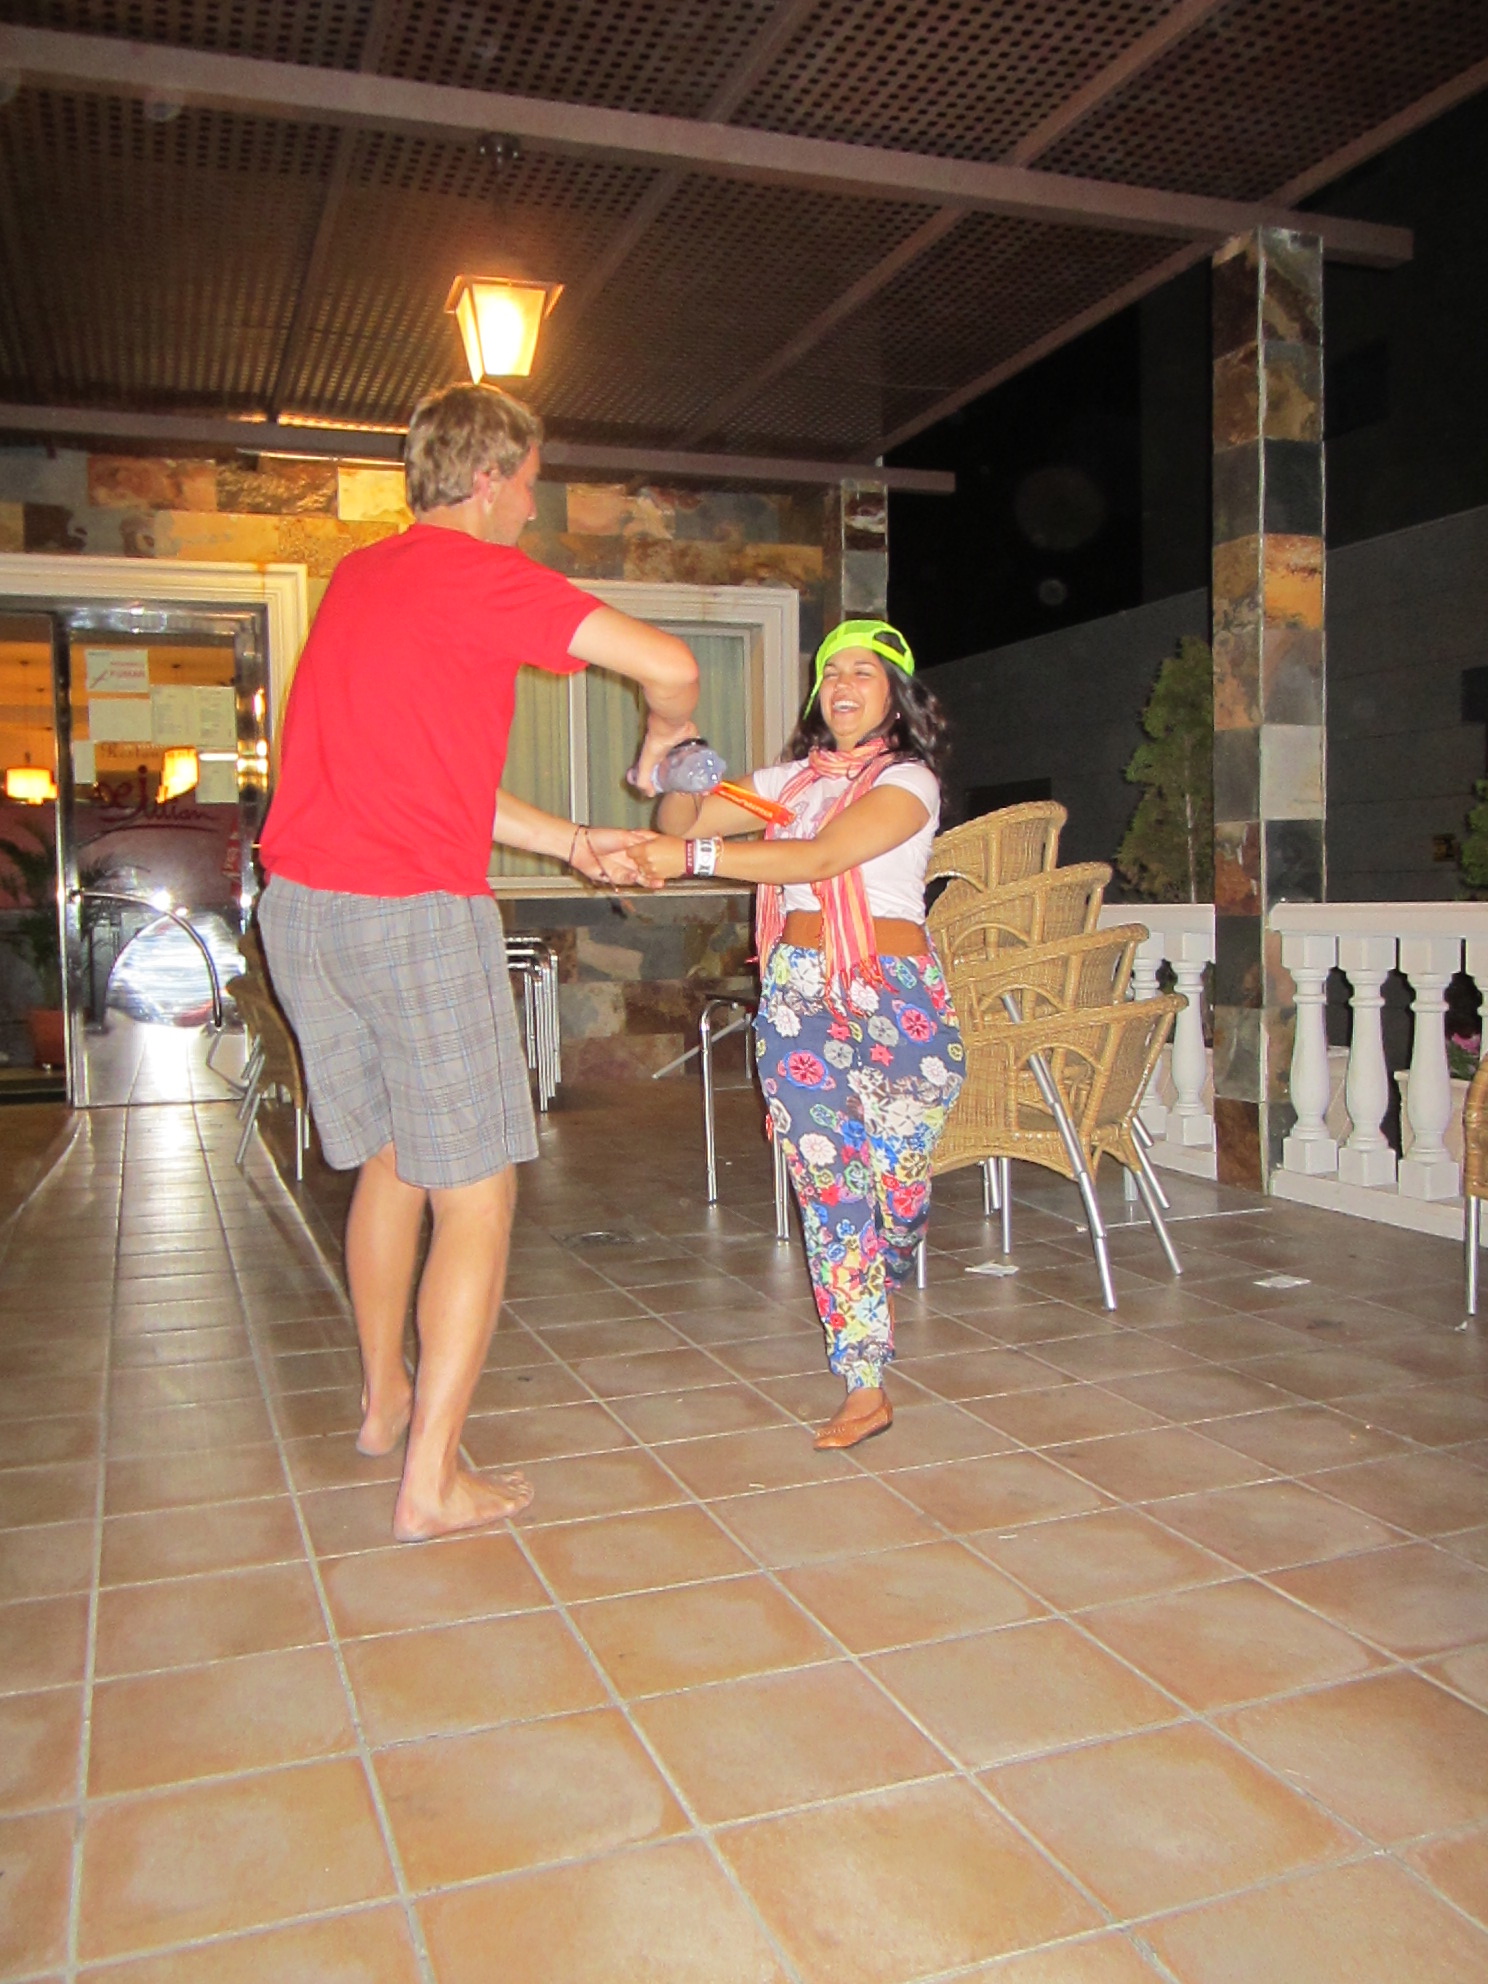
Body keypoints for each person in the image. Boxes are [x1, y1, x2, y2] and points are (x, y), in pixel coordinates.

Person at [258, 382, 697, 1539]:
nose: (531, 511)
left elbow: (436, 783)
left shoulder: (360, 579)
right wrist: (665, 735)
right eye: (531, 486)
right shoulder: (478, 573)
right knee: (478, 1194)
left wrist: (575, 841)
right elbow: (669, 664)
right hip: (408, 911)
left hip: (302, 911)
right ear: (492, 477)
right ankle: (433, 1482)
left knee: (394, 1161)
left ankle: (384, 1406)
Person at [642, 619, 962, 1449]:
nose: (843, 685)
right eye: (832, 672)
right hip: (798, 995)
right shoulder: (783, 782)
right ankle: (864, 1379)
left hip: (896, 994)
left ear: (895, 692)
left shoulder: (909, 780)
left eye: (864, 671)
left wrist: (693, 858)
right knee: (829, 1187)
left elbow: (821, 858)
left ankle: (888, 1254)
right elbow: (680, 824)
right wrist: (676, 767)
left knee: (896, 1187)